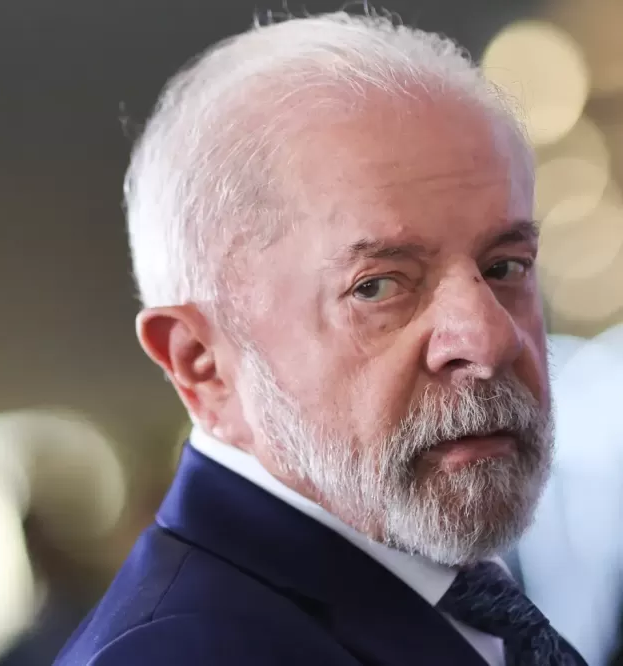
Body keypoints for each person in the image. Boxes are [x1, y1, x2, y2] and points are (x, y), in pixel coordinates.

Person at [54, 11, 587, 666]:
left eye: (505, 267)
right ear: (202, 365)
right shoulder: (179, 654)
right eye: (377, 286)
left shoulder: (449, 591)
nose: (488, 339)